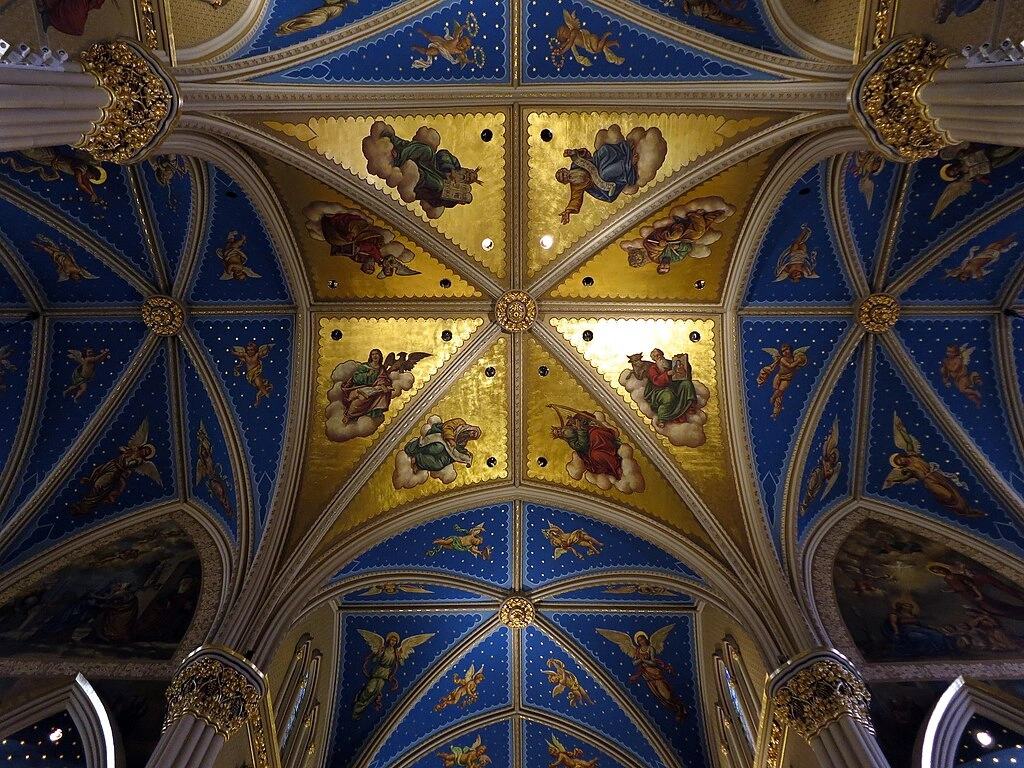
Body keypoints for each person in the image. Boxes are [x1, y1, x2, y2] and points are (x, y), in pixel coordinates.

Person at [556, 141, 639, 223]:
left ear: (565, 170)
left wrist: (574, 153)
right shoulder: (575, 186)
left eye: (563, 174)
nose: (565, 176)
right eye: (563, 178)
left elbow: (585, 154)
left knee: (604, 150)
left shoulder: (574, 165)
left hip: (597, 163)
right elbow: (575, 200)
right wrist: (568, 211)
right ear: (565, 182)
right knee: (605, 174)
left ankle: (624, 152)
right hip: (601, 185)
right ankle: (628, 164)